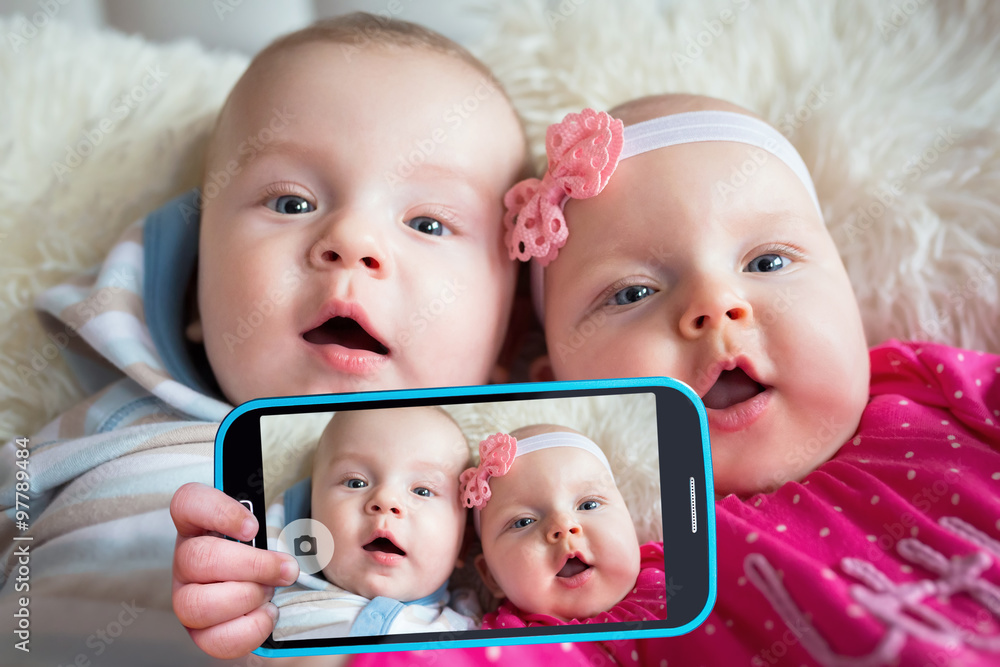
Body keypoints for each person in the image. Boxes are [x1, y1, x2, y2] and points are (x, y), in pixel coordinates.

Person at [351, 94, 1000, 665]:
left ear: (850, 292)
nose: (716, 305)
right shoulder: (606, 580)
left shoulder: (939, 389)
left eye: (768, 260)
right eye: (633, 291)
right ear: (558, 385)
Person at [0, 12, 528, 666]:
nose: (352, 242)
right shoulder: (108, 430)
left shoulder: (486, 520)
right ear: (193, 276)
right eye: (291, 203)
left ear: (513, 327)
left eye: (427, 221)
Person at [266, 407, 476, 639]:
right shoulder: (262, 609)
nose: (386, 500)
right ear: (308, 514)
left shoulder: (472, 635)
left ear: (463, 544)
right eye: (355, 483)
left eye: (423, 491)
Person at [461, 424, 666, 628]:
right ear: (492, 577)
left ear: (629, 518)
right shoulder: (502, 642)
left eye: (589, 505)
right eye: (523, 522)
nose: (563, 525)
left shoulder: (676, 569)